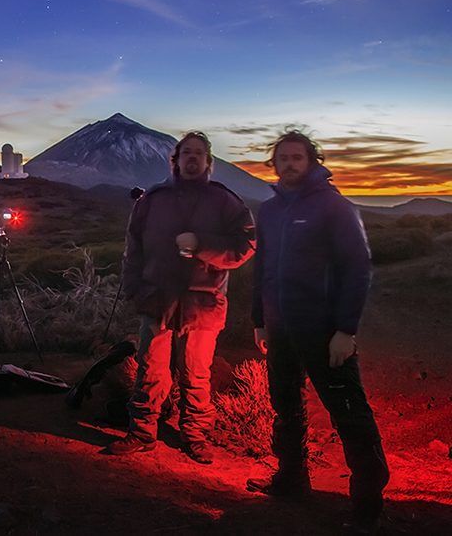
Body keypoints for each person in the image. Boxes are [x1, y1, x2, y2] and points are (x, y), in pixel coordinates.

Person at [247, 131, 388, 536]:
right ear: (274, 164)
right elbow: (262, 270)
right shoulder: (270, 210)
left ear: (311, 161)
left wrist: (346, 329)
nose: (289, 163)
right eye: (283, 158)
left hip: (323, 330)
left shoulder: (333, 206)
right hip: (279, 327)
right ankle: (291, 479)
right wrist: (260, 319)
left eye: (297, 157)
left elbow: (357, 268)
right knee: (286, 406)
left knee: (349, 414)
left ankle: (367, 507)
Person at [107, 131, 256, 464]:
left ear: (208, 162)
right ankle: (142, 433)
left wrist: (202, 245)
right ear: (174, 160)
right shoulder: (153, 200)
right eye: (185, 152)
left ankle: (195, 436)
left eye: (198, 153)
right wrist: (135, 288)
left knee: (196, 374)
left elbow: (245, 244)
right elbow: (134, 250)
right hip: (156, 299)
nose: (192, 158)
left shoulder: (225, 202)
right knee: (150, 370)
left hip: (202, 305)